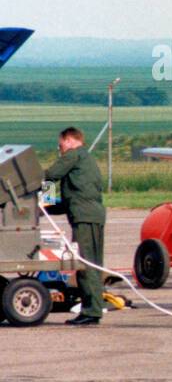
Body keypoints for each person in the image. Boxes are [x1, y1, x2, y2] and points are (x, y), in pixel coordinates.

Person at [44, 127, 106, 326]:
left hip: (85, 218)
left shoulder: (74, 155)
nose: (60, 149)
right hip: (92, 215)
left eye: (61, 144)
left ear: (69, 140)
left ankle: (91, 311)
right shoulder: (85, 159)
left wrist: (44, 199)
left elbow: (52, 174)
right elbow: (75, 197)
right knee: (93, 263)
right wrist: (46, 208)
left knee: (85, 264)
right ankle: (93, 309)